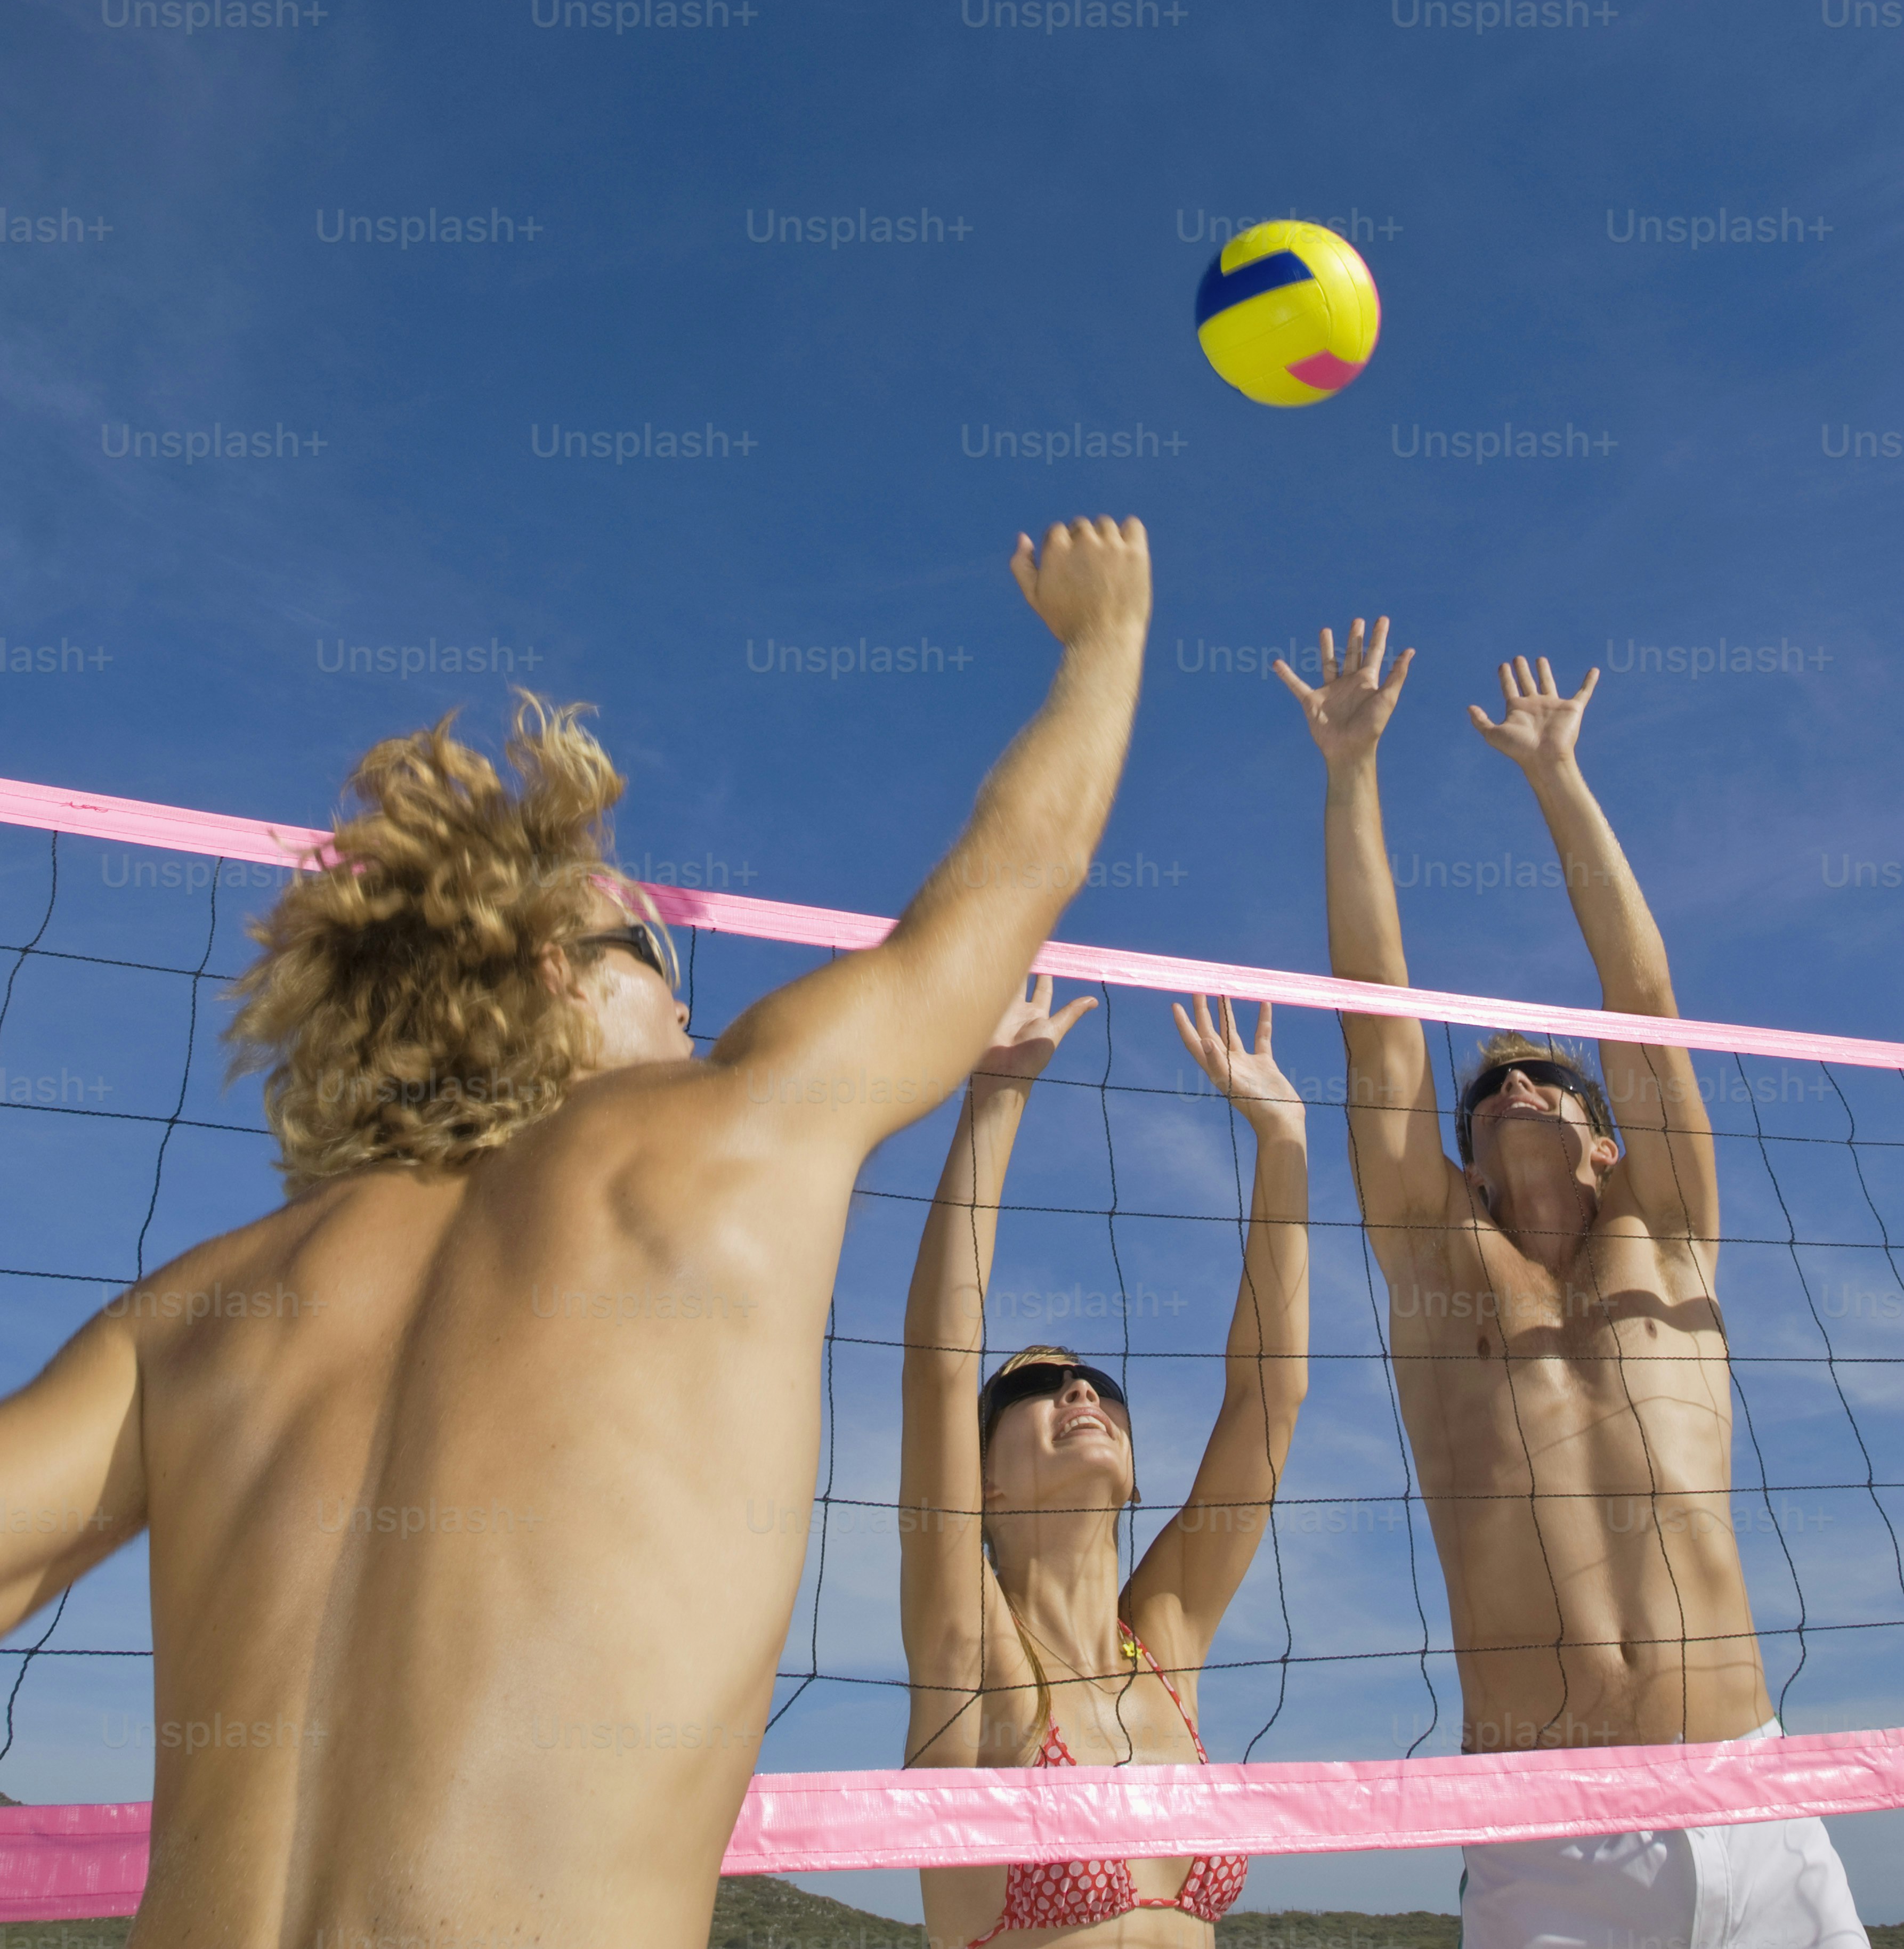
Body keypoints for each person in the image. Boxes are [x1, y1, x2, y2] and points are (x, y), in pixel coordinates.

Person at [0, 516, 1152, 1949]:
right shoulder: (719, 1129)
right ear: (554, 971)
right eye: (655, 959)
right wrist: (1103, 639)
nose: (686, 1001)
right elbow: (1008, 879)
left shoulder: (186, 1315)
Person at [1275, 620, 1867, 1949]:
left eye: (1544, 1074)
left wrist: (1556, 775)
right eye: (1487, 1085)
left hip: (1752, 1791)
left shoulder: (1670, 1233)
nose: (1511, 1082)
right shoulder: (1439, 1263)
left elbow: (1640, 990)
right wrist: (1349, 770)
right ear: (1465, 1155)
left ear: (1606, 1140)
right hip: (1552, 1834)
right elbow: (1376, 1026)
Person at [900, 963, 1308, 1949]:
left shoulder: (1164, 1641)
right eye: (1036, 1388)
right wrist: (996, 1098)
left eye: (1097, 1385)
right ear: (983, 1483)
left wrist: (1283, 1144)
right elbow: (940, 1367)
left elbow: (1267, 1398)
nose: (1079, 1391)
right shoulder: (977, 1652)